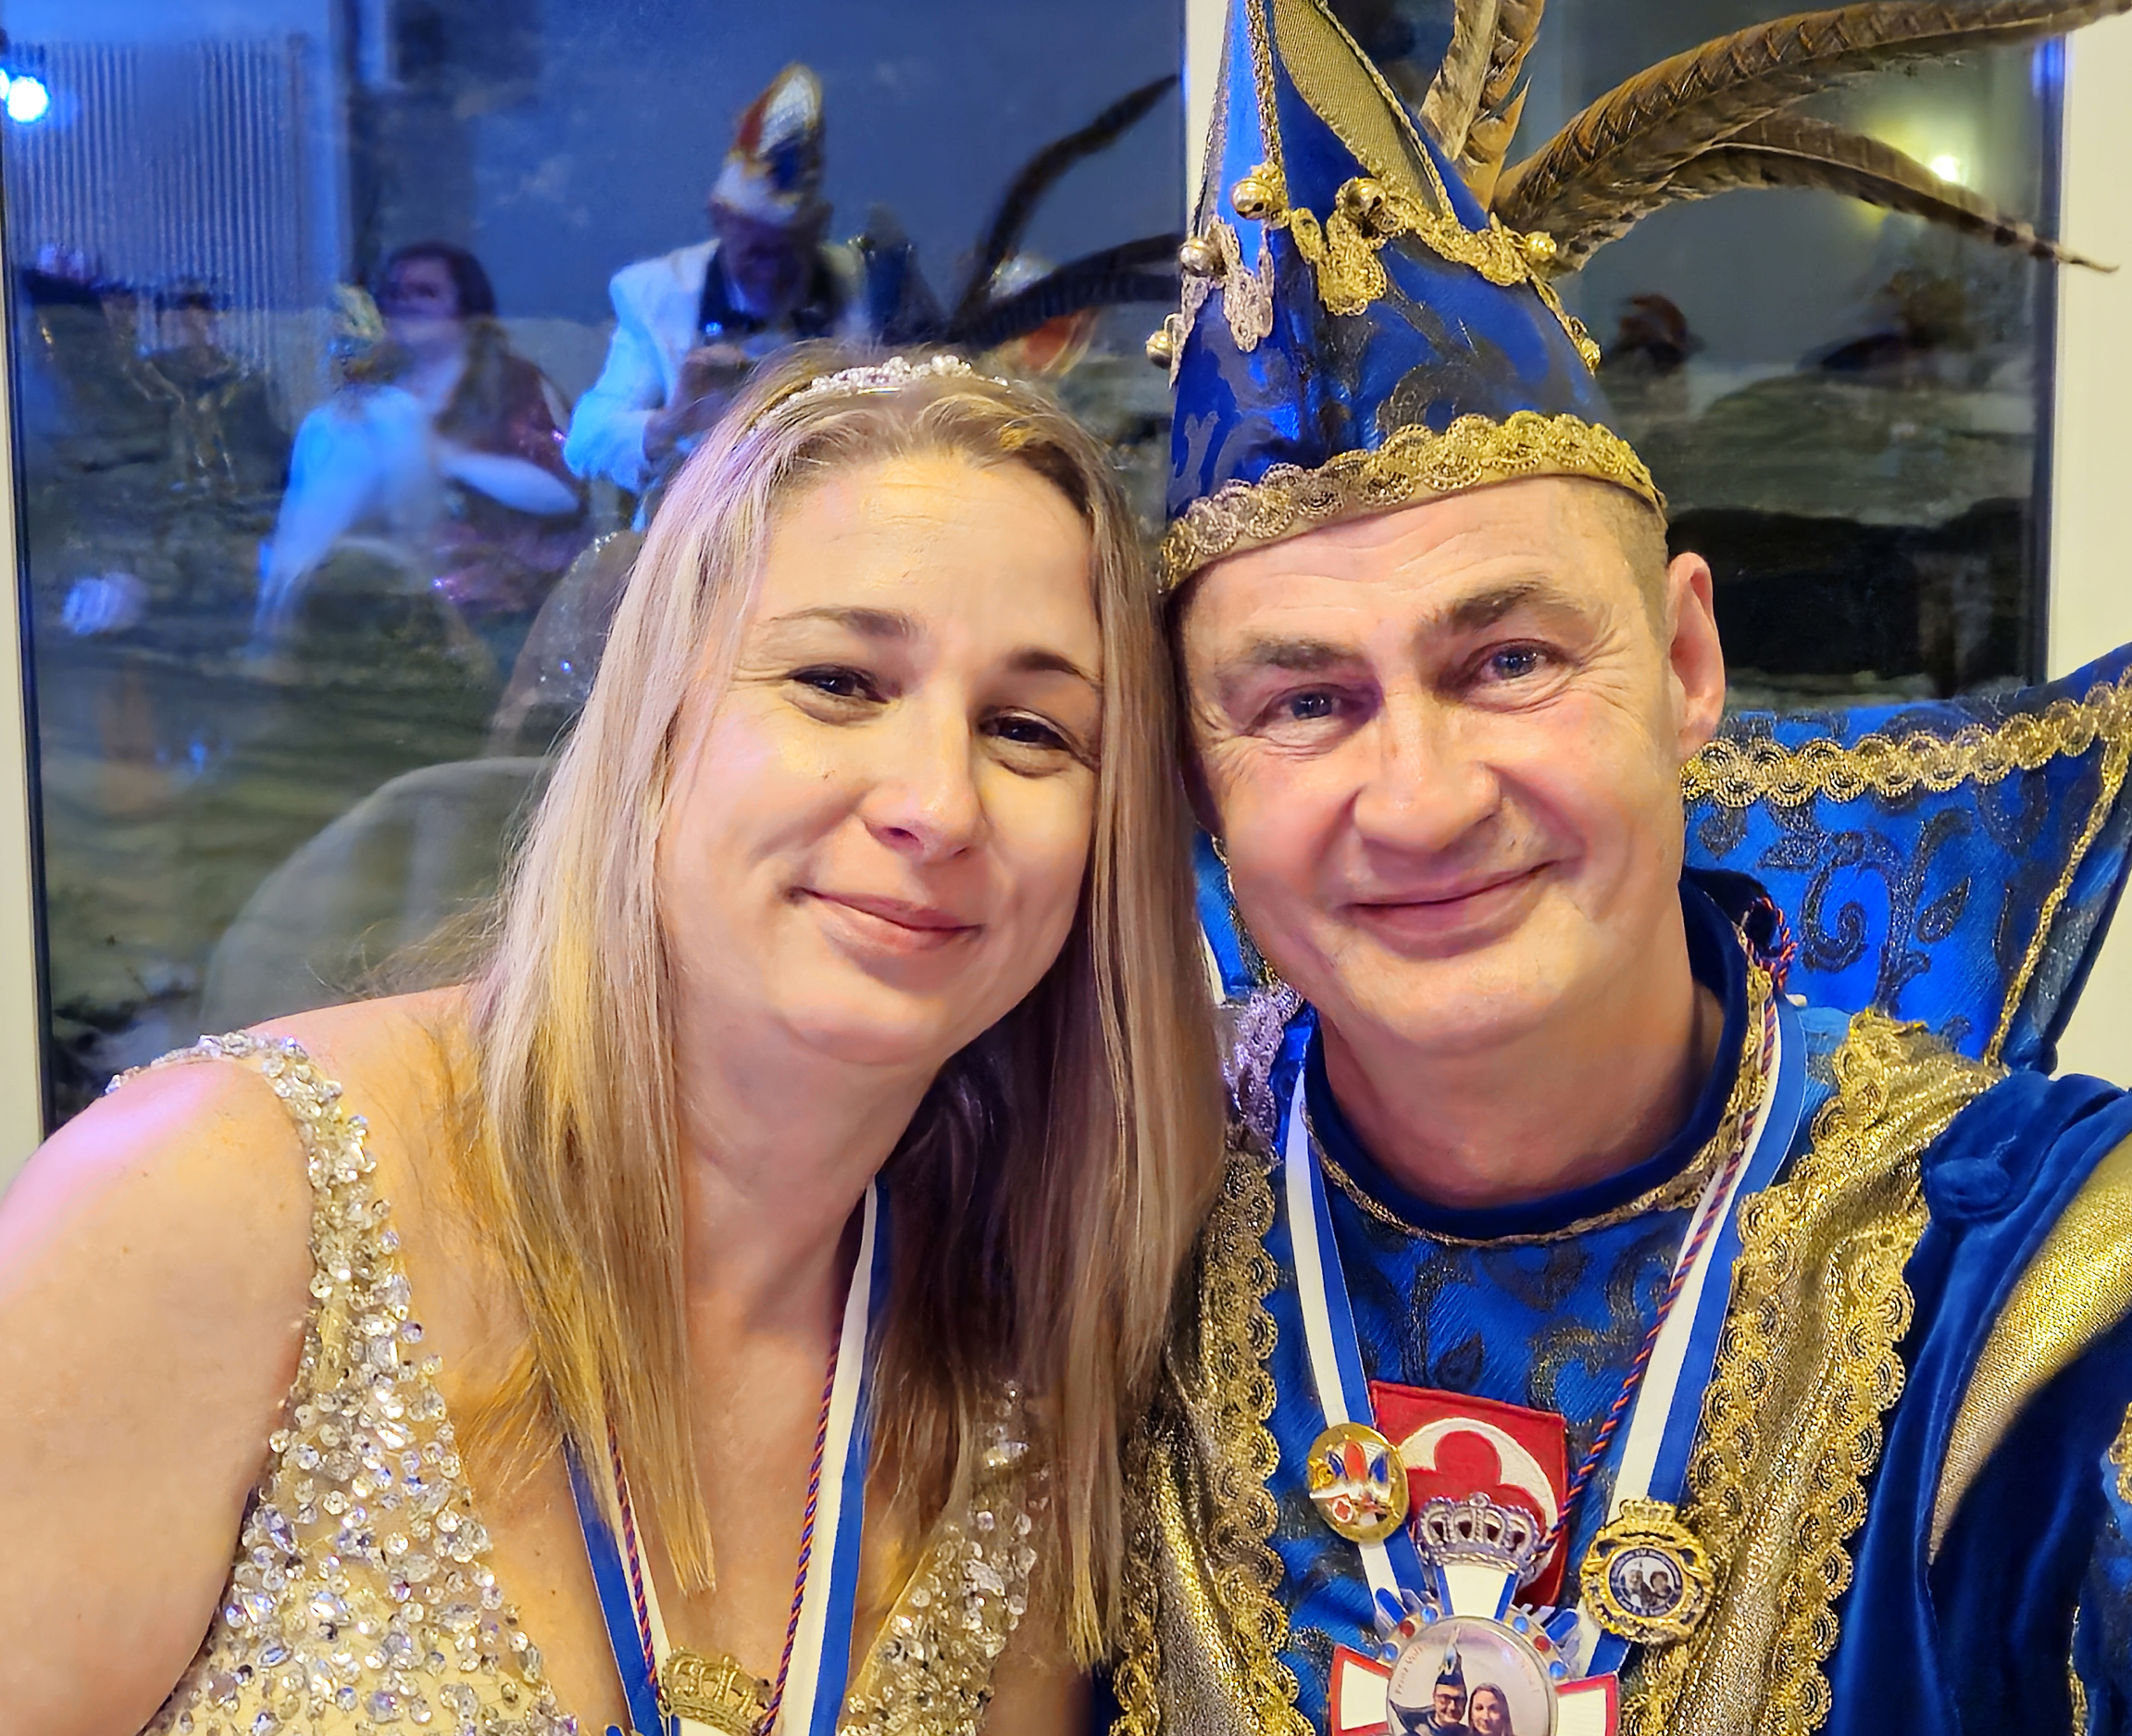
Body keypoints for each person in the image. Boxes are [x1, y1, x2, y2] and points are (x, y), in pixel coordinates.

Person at [1111, 2, 2132, 1732]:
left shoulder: (2071, 1337)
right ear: (1198, 777)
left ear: (1686, 665)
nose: (1421, 801)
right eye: (1304, 701)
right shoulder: (1102, 1238)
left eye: (1509, 659)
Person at [0, 348, 1223, 1736]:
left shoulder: (1027, 1370)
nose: (938, 804)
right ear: (657, 721)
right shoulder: (217, 1201)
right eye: (837, 680)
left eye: (1029, 728)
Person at [253, 243, 586, 673]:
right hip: (382, 603)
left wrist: (443, 457)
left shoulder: (514, 385)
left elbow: (562, 493)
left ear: (467, 309)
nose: (405, 303)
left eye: (425, 292)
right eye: (395, 293)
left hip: (500, 611)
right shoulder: (375, 391)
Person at [567, 66, 870, 502]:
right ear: (720, 219)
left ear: (820, 227)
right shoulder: (657, 296)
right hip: (705, 515)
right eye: (756, 252)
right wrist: (672, 422)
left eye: (789, 252)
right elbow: (583, 442)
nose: (771, 272)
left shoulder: (860, 283)